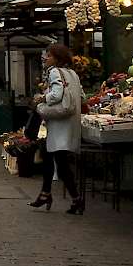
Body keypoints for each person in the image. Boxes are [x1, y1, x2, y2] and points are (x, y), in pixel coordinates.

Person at [31, 43, 85, 215]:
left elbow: (56, 95)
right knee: (49, 156)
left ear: (57, 58)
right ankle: (46, 193)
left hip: (60, 123)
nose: (46, 58)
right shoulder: (73, 74)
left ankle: (76, 199)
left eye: (49, 55)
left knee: (60, 163)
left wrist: (41, 99)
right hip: (69, 123)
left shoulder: (55, 72)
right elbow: (82, 96)